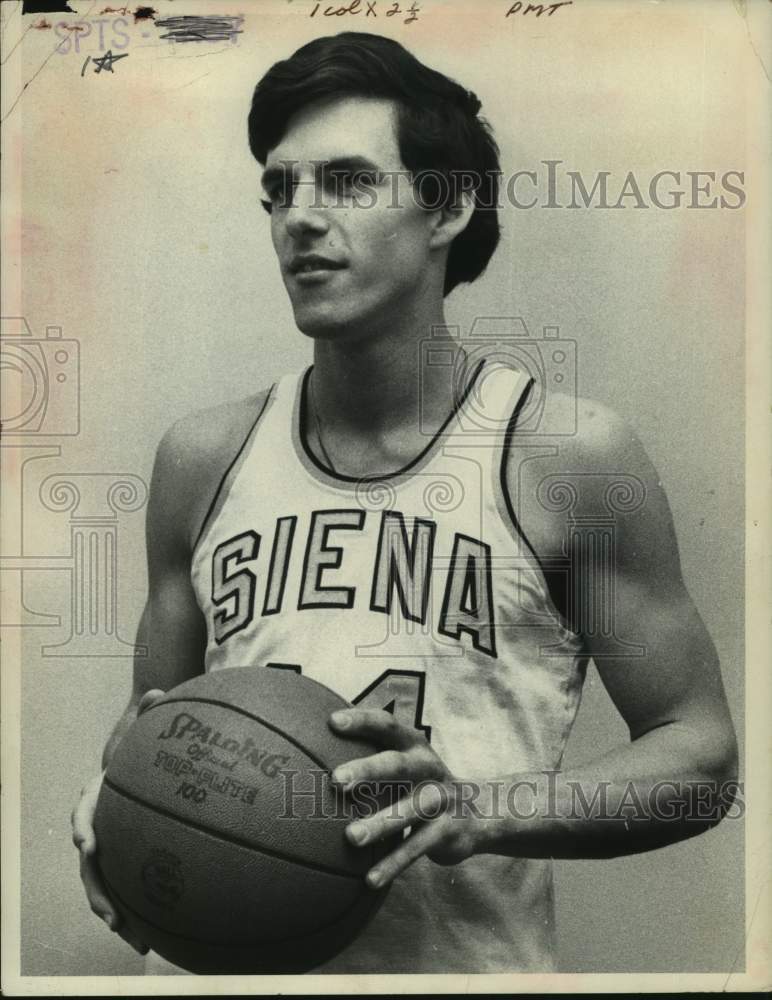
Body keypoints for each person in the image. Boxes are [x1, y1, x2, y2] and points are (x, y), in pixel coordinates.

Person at [71, 31, 738, 974]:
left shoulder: (564, 456)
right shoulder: (203, 457)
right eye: (280, 189)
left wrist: (482, 809)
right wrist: (116, 812)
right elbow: (152, 732)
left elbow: (700, 758)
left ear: (448, 207)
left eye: (347, 182)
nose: (300, 218)